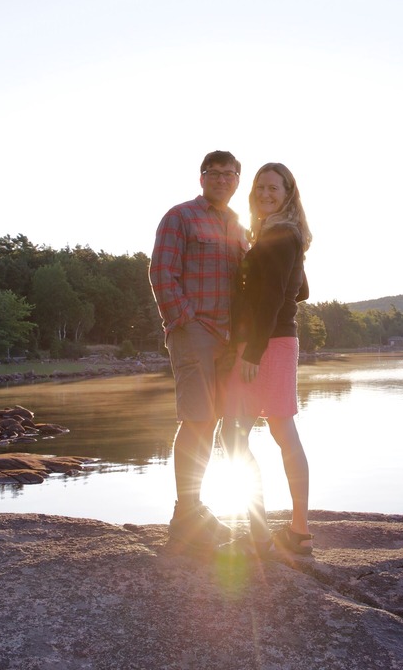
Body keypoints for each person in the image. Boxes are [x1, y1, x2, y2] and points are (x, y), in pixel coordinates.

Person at [149, 150, 250, 550]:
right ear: (202, 177)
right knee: (196, 421)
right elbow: (161, 272)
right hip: (195, 332)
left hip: (230, 340)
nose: (223, 180)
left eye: (230, 174)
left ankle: (197, 509)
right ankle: (186, 515)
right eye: (215, 173)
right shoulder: (181, 216)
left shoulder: (239, 225)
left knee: (221, 424)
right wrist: (186, 321)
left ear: (238, 180)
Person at [222, 162, 313, 556]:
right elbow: (301, 290)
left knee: (234, 434)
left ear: (288, 193)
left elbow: (276, 296)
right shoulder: (285, 234)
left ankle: (262, 533)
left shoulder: (277, 233)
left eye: (273, 188)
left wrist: (254, 350)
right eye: (260, 187)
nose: (265, 193)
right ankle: (298, 531)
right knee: (279, 433)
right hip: (277, 341)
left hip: (265, 345)